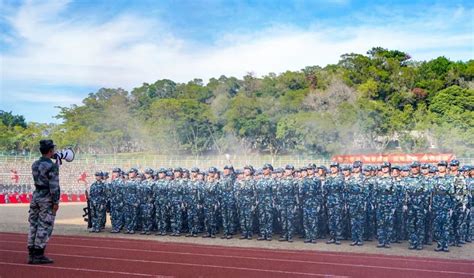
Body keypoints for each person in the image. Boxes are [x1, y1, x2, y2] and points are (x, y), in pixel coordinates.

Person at [27, 139, 60, 264]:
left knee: (33, 225)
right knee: (44, 225)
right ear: (50, 151)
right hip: (47, 198)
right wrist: (56, 202)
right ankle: (39, 254)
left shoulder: (35, 164)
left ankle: (31, 253)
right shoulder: (52, 166)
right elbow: (54, 186)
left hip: (36, 196)